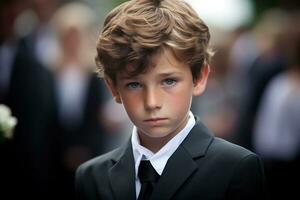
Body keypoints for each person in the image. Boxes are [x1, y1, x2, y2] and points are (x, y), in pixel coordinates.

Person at [75, 0, 267, 199]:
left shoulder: (235, 168)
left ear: (199, 78)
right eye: (134, 84)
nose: (151, 102)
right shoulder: (91, 177)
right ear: (113, 88)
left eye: (168, 81)